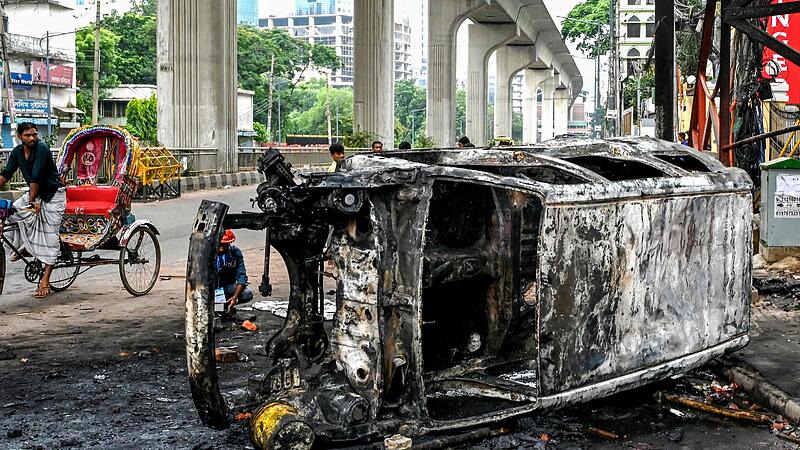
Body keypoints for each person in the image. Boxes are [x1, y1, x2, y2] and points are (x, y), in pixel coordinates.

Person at [0, 123, 65, 298]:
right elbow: (6, 174)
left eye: (34, 135)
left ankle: (45, 280)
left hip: (53, 195)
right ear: (20, 137)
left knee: (50, 236)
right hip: (34, 195)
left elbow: (35, 177)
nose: (32, 138)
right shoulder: (16, 152)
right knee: (11, 214)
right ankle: (26, 245)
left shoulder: (42, 148)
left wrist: (32, 201)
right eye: (28, 135)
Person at [216, 229, 254, 314]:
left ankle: (225, 306)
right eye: (220, 245)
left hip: (226, 287)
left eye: (225, 245)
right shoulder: (207, 253)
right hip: (210, 288)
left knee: (247, 294)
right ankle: (217, 308)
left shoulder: (235, 252)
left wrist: (235, 298)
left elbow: (242, 277)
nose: (221, 249)